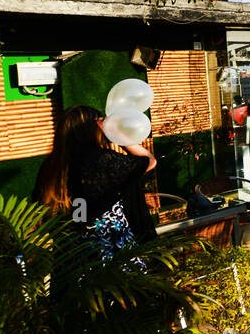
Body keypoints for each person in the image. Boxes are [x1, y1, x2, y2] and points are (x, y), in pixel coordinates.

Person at [34, 105, 158, 260]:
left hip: (70, 256)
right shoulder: (101, 160)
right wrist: (119, 136)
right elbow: (149, 162)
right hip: (107, 254)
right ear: (92, 129)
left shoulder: (50, 165)